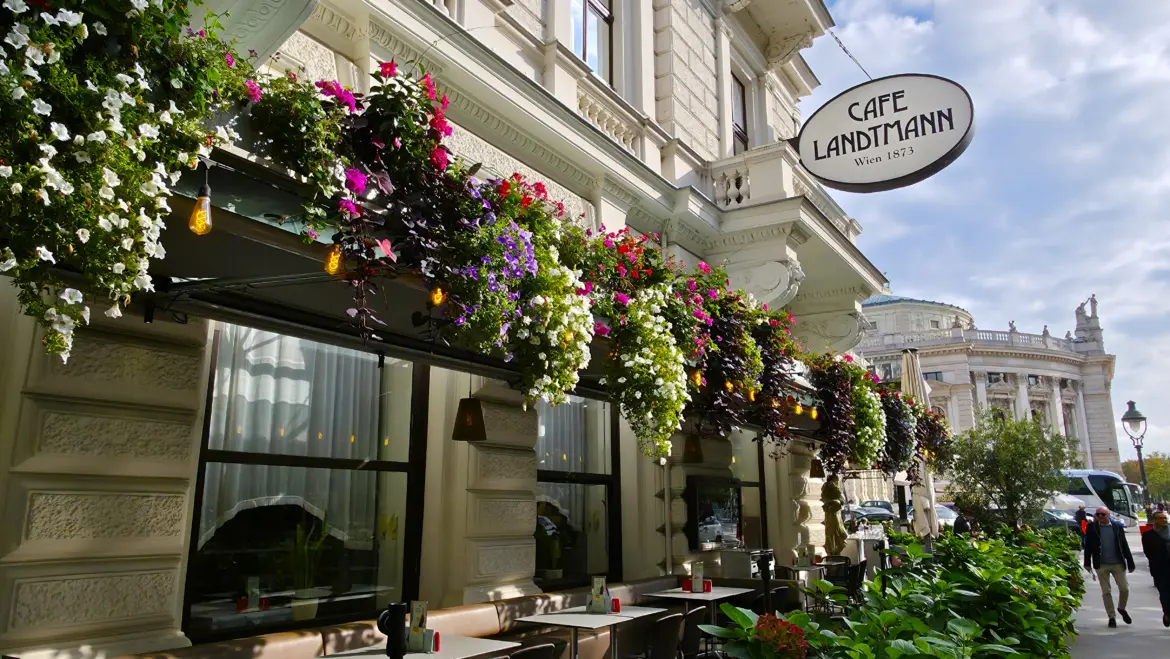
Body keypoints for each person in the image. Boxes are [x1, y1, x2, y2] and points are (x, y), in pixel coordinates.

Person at [1084, 506, 1136, 627]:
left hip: (1117, 563)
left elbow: (1124, 544)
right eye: (1098, 514)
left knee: (1125, 589)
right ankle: (1111, 617)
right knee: (1106, 591)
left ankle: (1121, 608)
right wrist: (1087, 562)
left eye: (1103, 514)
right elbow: (1088, 546)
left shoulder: (1117, 526)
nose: (1100, 517)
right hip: (1101, 564)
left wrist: (1130, 562)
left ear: (1108, 514)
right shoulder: (1092, 527)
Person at [1143, 511, 1170, 627]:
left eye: (1165, 517)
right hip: (1160, 569)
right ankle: (1167, 613)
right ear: (1155, 520)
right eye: (1161, 518)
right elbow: (1147, 552)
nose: (1164, 520)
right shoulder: (1148, 535)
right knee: (1164, 593)